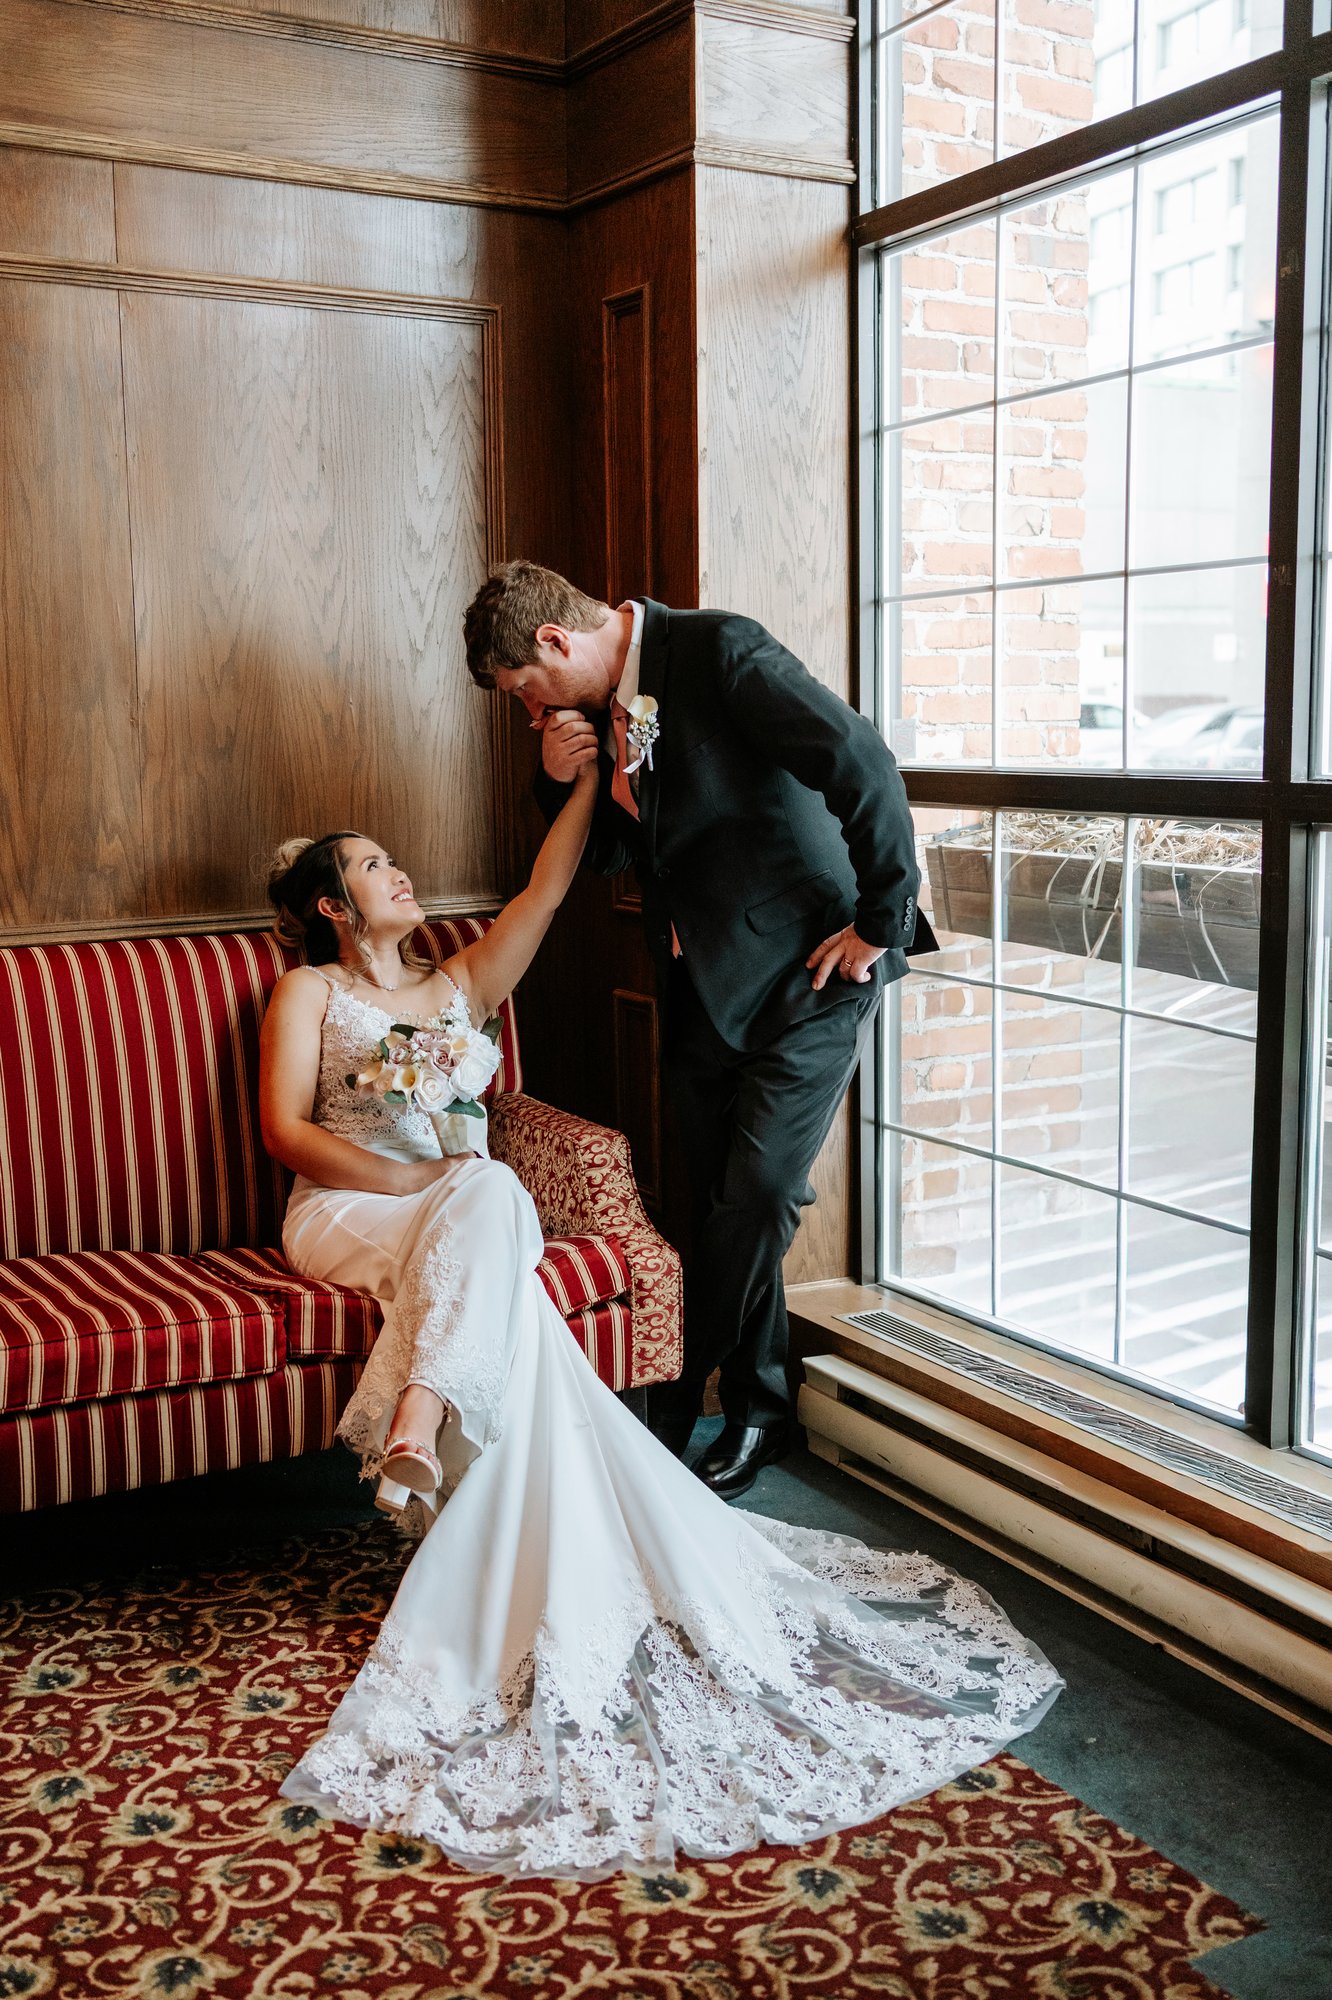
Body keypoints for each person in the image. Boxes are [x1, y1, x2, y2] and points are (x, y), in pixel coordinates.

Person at [259, 778, 1059, 1878]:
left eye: (395, 857)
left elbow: (546, 890)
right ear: (333, 908)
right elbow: (286, 1133)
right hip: (348, 1205)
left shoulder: (458, 984)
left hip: (454, 1209)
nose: (397, 870)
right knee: (484, 1199)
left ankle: (424, 1420)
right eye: (370, 866)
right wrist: (416, 1171)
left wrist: (595, 773)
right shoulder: (307, 992)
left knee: (493, 1197)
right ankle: (429, 1411)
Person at [463, 562, 937, 1496]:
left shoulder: (722, 650)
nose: (530, 712)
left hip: (811, 970)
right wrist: (559, 782)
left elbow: (862, 760)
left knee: (759, 1193)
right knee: (719, 1198)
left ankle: (671, 1400)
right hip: (696, 988)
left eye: (525, 692)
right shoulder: (597, 711)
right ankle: (761, 1412)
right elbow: (610, 855)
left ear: (556, 642)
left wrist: (883, 919)